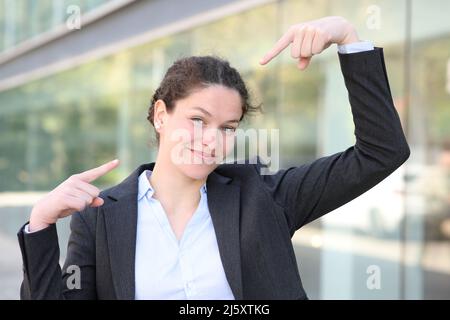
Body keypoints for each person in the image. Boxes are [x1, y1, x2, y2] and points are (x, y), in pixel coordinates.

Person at [17, 16, 410, 300]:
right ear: (160, 115)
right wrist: (40, 225)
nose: (211, 140)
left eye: (227, 127)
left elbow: (380, 152)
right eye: (197, 120)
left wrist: (347, 36)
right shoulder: (99, 217)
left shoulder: (264, 196)